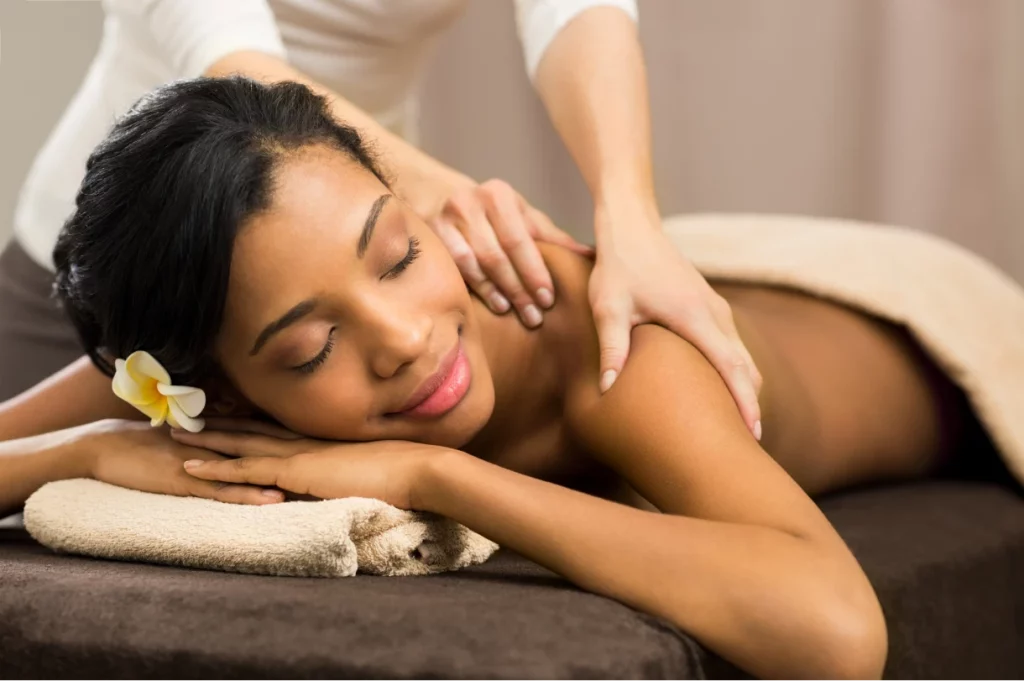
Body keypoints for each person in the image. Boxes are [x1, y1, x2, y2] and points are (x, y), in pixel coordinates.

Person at [4, 77, 986, 680]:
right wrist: (97, 448)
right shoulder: (229, 333)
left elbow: (835, 635)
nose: (403, 338)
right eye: (311, 350)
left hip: (917, 319)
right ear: (225, 391)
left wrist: (438, 479)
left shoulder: (612, 362)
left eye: (396, 254)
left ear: (418, 208)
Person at [0, 0, 761, 435]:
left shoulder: (378, 324)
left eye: (403, 258)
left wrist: (629, 214)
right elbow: (226, 54)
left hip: (343, 225)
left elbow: (572, 9)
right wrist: (424, 198)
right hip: (119, 256)